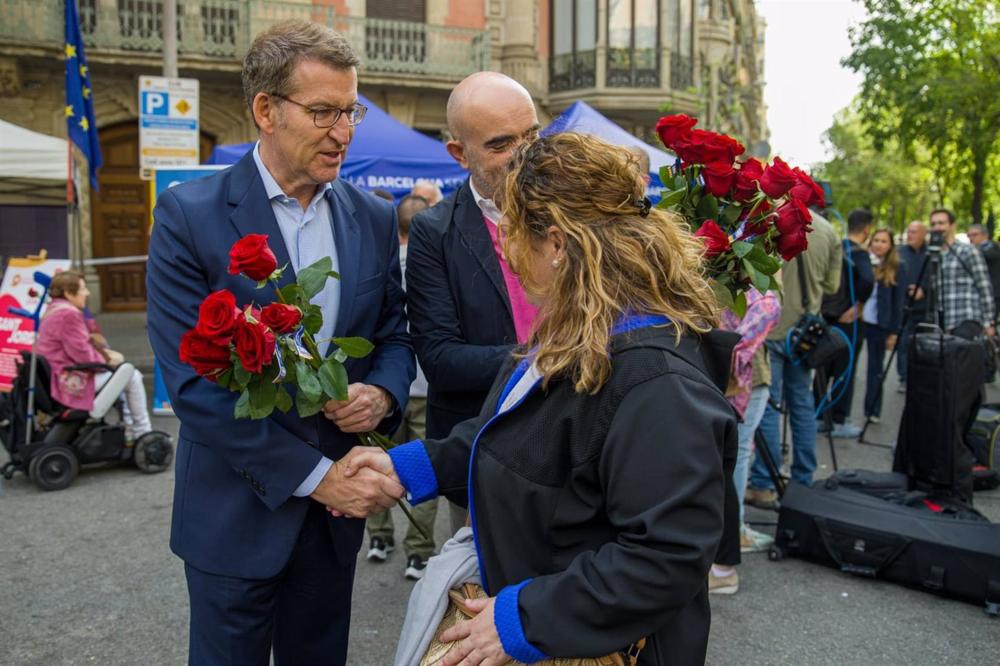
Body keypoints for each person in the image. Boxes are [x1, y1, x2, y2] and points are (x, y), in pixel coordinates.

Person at [351, 133, 736, 665]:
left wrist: (521, 620)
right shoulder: (579, 331)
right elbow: (519, 436)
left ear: (556, 244)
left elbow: (664, 558)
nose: (504, 251)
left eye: (510, 232)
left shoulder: (656, 381)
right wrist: (409, 468)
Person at [145, 21, 414, 666]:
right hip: (236, 518)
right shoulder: (190, 216)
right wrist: (321, 479)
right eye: (323, 111)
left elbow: (393, 336)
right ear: (266, 109)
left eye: (351, 112)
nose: (343, 132)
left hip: (331, 531)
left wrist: (381, 392)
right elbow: (195, 390)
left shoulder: (372, 216)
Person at [405, 71, 541, 533]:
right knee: (481, 586)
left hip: (579, 442)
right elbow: (442, 359)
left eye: (533, 135)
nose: (525, 155)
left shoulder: (575, 210)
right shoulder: (435, 231)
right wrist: (549, 358)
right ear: (459, 154)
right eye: (502, 144)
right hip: (481, 445)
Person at [746, 210, 841, 510]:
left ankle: (764, 484)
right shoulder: (828, 231)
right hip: (805, 334)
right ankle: (803, 481)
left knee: (769, 407)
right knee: (802, 404)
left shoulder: (771, 221)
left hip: (772, 328)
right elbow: (832, 287)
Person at [365, 193, 438, 580]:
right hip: (427, 385)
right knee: (422, 469)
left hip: (384, 387)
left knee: (376, 463)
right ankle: (419, 551)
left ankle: (379, 537)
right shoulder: (438, 265)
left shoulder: (379, 264)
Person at [712, 288, 781, 594]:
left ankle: (732, 539)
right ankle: (726, 543)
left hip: (739, 387)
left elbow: (738, 350)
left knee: (734, 460)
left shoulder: (763, 299)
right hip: (717, 385)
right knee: (727, 462)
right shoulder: (718, 284)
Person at [35, 270, 152, 441]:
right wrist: (108, 362)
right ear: (68, 293)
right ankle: (142, 432)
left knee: (121, 378)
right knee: (131, 375)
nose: (87, 293)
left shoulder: (53, 310)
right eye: (83, 289)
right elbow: (84, 356)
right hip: (68, 381)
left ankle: (130, 429)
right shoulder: (68, 314)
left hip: (58, 375)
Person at [816, 208, 875, 439]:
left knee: (822, 366)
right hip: (848, 321)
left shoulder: (835, 246)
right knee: (845, 370)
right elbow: (868, 280)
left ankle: (819, 416)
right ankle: (839, 420)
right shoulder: (859, 254)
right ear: (866, 229)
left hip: (827, 316)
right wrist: (858, 306)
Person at [862, 229, 907, 422]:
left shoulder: (897, 267)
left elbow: (899, 303)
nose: (879, 244)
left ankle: (873, 409)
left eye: (884, 241)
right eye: (876, 240)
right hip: (859, 320)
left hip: (880, 324)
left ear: (890, 245)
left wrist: (893, 332)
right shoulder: (863, 262)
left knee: (875, 369)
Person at [929, 208, 995, 338]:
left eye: (941, 223)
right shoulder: (933, 255)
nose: (937, 227)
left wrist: (988, 323)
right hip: (943, 323)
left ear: (952, 225)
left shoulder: (968, 251)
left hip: (966, 318)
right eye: (933, 224)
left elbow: (984, 286)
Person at [896, 220, 929, 391]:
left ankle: (921, 378)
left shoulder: (931, 254)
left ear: (924, 234)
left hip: (924, 309)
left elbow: (935, 277)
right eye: (909, 231)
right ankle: (904, 378)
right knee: (903, 344)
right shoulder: (899, 252)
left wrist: (924, 289)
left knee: (923, 346)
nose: (910, 235)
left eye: (914, 232)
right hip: (904, 308)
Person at [965, 223, 1000, 322]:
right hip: (984, 293)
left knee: (990, 323)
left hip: (993, 293)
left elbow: (987, 255)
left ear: (985, 235)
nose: (971, 238)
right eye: (969, 235)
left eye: (975, 234)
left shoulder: (991, 246)